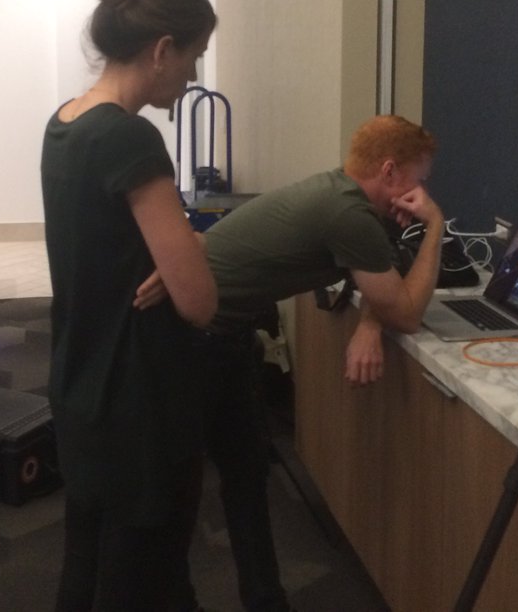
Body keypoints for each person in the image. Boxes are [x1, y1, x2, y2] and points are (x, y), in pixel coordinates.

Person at [143, 114, 445, 612]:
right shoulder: (349, 215)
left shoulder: (338, 194)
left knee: (247, 475)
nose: (421, 191)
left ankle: (265, 600)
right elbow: (408, 312)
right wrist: (435, 226)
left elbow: (383, 280)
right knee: (181, 491)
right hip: (193, 343)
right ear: (390, 172)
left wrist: (371, 324)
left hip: (223, 336)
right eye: (419, 178)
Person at [41, 0, 219, 611]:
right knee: (145, 578)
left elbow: (106, 246)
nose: (194, 75)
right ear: (163, 50)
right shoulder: (130, 139)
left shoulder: (65, 123)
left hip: (82, 383)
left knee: (87, 563)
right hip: (139, 399)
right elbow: (199, 302)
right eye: (195, 56)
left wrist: (170, 258)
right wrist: (187, 254)